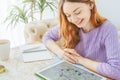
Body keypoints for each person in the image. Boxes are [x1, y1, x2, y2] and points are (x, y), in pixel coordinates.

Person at [42, 0, 120, 79]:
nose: (74, 19)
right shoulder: (69, 24)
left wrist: (79, 59)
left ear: (90, 5)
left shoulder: (108, 29)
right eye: (68, 15)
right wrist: (61, 53)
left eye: (77, 12)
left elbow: (116, 71)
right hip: (76, 73)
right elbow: (47, 37)